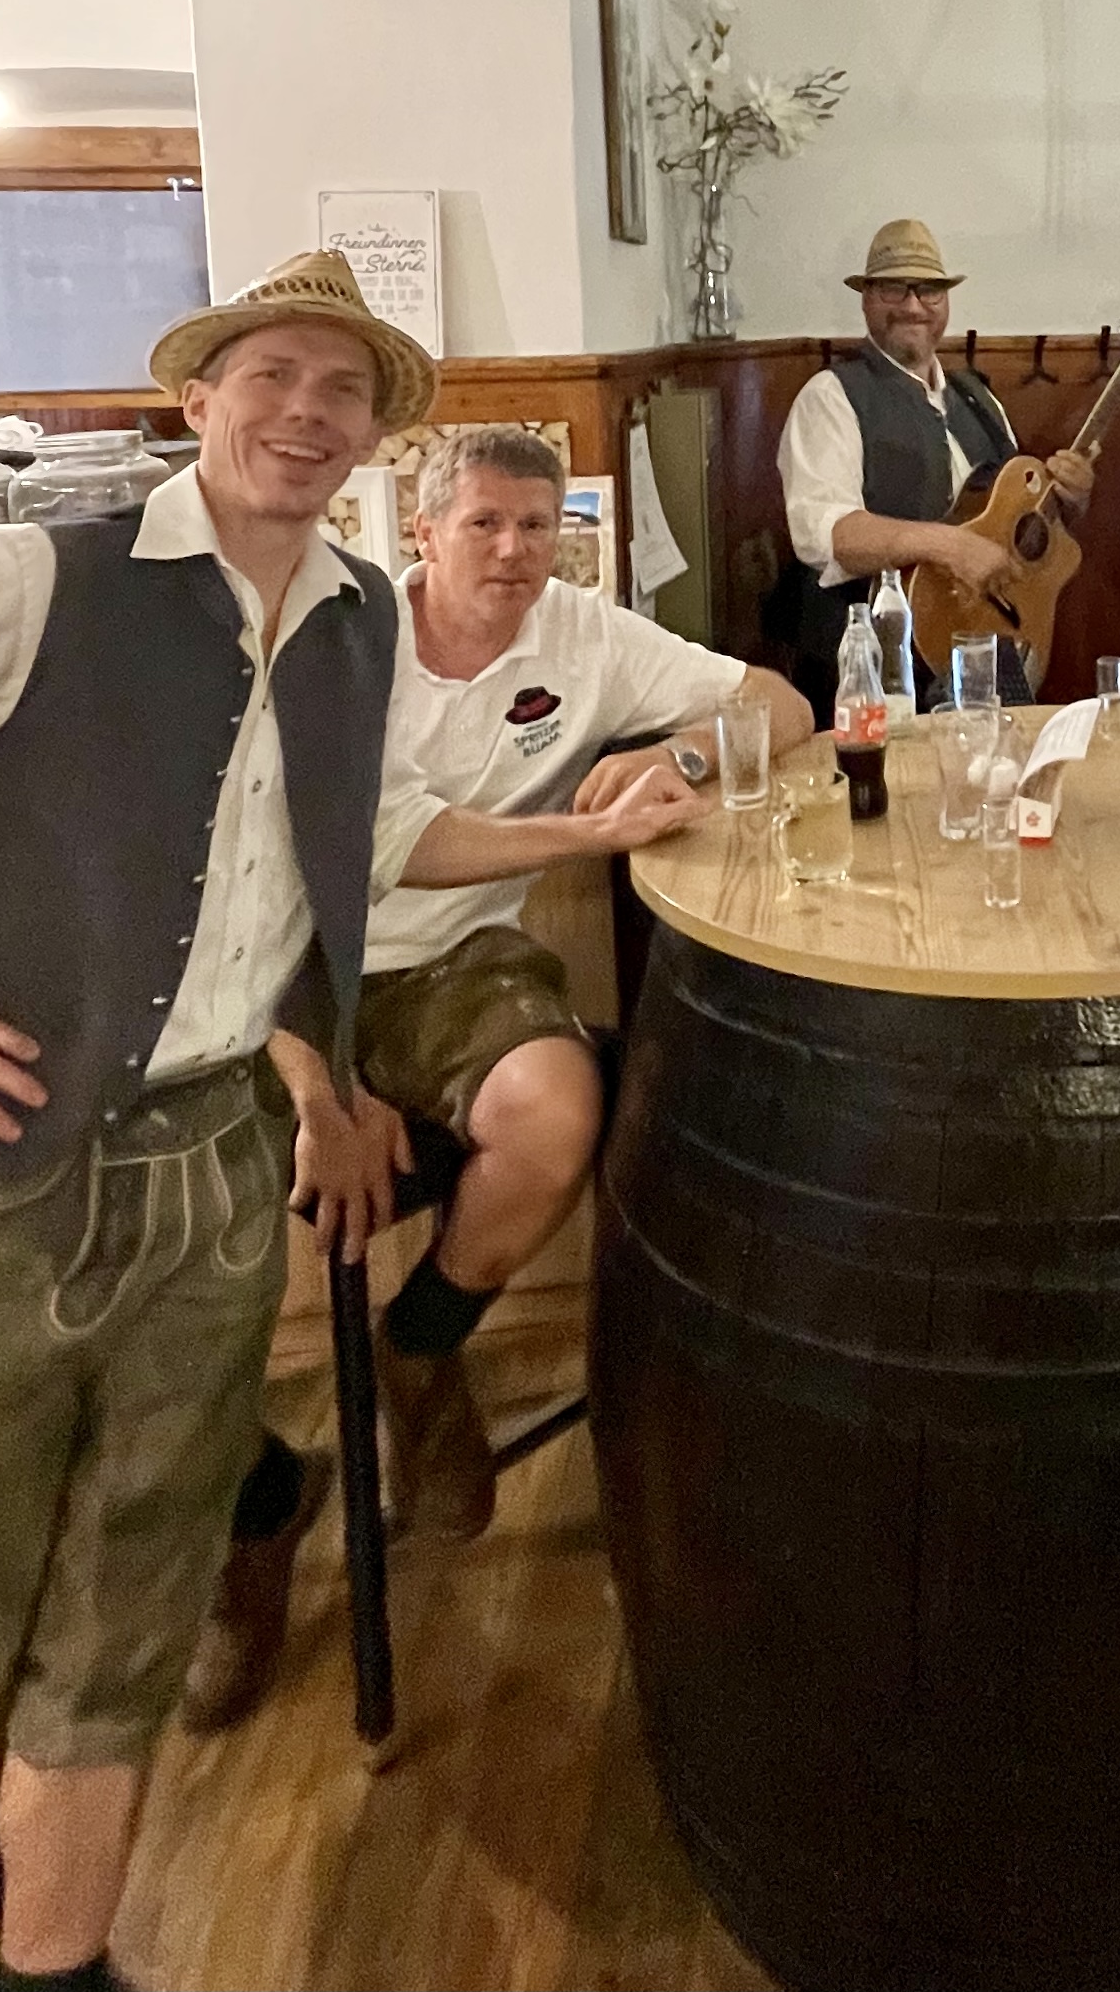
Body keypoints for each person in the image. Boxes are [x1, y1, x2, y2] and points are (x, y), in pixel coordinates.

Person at [0, 253, 712, 1992]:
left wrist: (569, 848)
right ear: (196, 398)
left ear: (373, 438)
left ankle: (53, 1966)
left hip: (210, 1164)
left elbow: (368, 845)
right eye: (271, 373)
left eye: (343, 388)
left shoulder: (353, 618)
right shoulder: (29, 583)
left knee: (131, 1595)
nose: (305, 410)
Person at [181, 424, 816, 1735]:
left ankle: (417, 1353)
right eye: (484, 523)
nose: (516, 551)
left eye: (539, 525)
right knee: (162, 1230)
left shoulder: (581, 633)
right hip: (281, 973)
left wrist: (686, 757)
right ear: (419, 533)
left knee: (560, 1110)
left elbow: (783, 703)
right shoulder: (335, 638)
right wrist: (321, 1093)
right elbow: (270, 882)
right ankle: (255, 1506)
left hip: (455, 962)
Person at [776, 217, 1093, 717]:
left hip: (986, 654)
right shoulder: (830, 397)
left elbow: (1013, 524)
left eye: (929, 290)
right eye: (893, 289)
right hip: (877, 671)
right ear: (866, 299)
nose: (913, 306)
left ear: (945, 301)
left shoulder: (979, 399)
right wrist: (952, 547)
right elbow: (829, 535)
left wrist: (1069, 502)